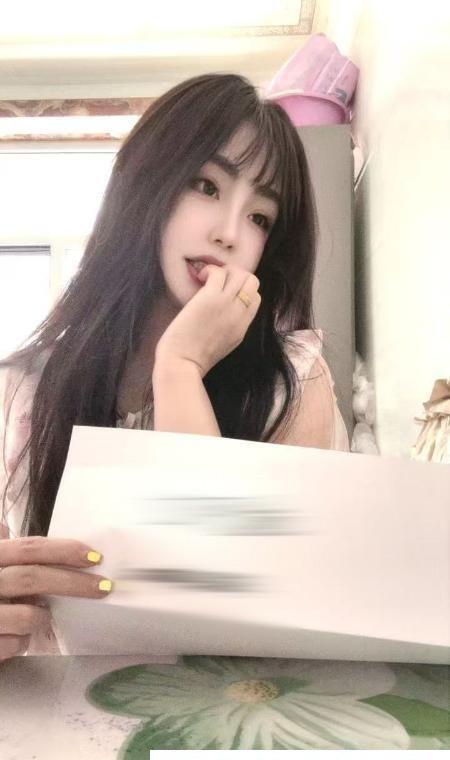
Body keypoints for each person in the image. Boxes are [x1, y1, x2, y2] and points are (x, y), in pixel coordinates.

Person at [0, 73, 349, 661]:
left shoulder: (293, 382)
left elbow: (223, 616)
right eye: (206, 185)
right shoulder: (23, 387)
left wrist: (180, 368)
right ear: (145, 184)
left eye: (260, 217)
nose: (229, 233)